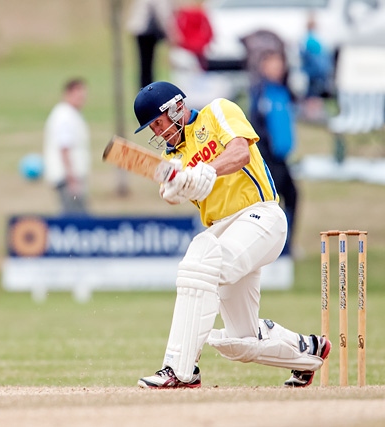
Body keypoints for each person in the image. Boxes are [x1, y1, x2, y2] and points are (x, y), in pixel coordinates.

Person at [131, 81, 330, 389]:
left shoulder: (218, 111)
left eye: (157, 123)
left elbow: (240, 153)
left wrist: (206, 171)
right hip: (223, 230)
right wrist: (178, 186)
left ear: (175, 108)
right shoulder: (176, 158)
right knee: (241, 342)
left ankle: (180, 370)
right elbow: (166, 189)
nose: (157, 133)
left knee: (200, 267)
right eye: (152, 129)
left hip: (261, 216)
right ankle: (307, 351)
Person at [248, 51, 299, 256]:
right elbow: (256, 123)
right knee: (271, 203)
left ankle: (286, 245)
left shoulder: (283, 90)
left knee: (293, 197)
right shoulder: (260, 91)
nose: (277, 69)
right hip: (268, 158)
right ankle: (271, 248)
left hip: (282, 157)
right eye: (272, 65)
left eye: (280, 64)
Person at [43, 78, 91, 215]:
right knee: (76, 217)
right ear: (68, 94)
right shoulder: (65, 116)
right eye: (79, 96)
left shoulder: (70, 114)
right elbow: (64, 148)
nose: (82, 100)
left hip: (70, 177)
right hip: (68, 179)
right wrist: (72, 179)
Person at [126, 0, 174, 89]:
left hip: (142, 30)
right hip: (146, 31)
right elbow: (162, 13)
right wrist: (170, 34)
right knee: (146, 67)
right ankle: (147, 90)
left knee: (145, 66)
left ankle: (146, 89)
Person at [300, 12, 333, 121]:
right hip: (318, 72)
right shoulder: (316, 40)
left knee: (312, 95)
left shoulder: (307, 40)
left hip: (312, 72)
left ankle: (312, 116)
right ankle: (314, 116)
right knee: (316, 95)